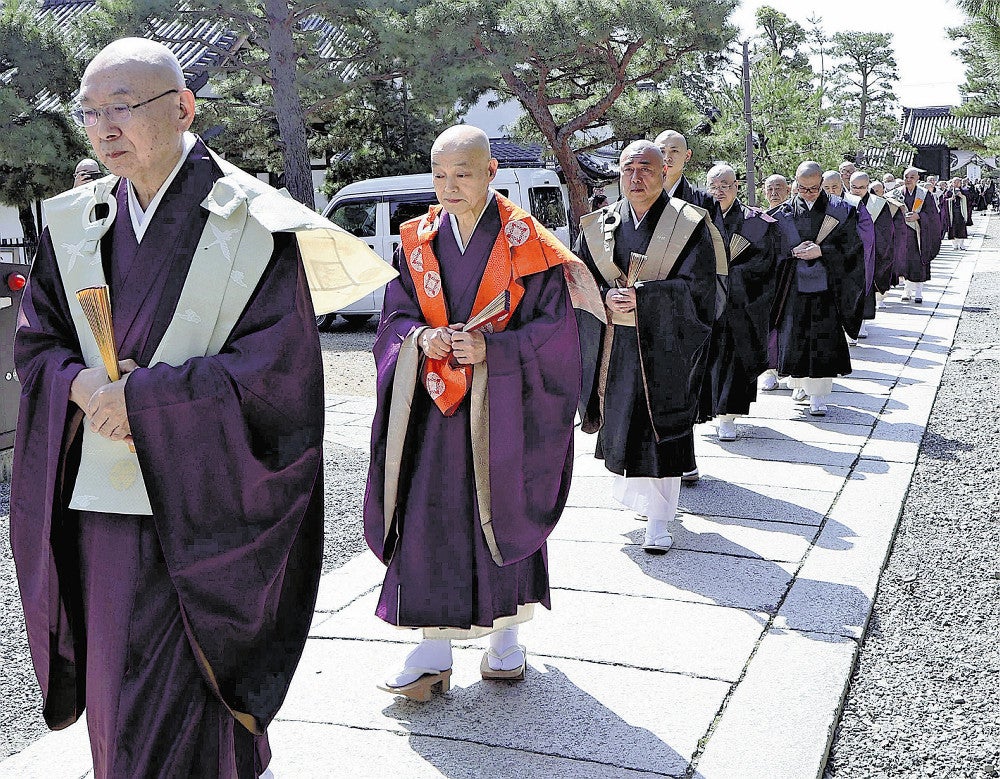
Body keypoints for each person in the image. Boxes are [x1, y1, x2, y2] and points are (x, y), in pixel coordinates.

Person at [10, 38, 386, 777]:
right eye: (90, 112)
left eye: (123, 107)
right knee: (117, 690)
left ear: (183, 108)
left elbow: (279, 375)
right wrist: (83, 389)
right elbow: (38, 342)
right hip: (102, 510)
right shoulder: (76, 221)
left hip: (207, 510)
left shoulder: (253, 223)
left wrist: (146, 401)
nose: (104, 128)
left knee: (189, 695)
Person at [363, 125, 603, 701]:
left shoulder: (529, 243)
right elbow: (394, 318)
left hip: (505, 411)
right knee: (426, 518)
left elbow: (555, 334)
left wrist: (494, 350)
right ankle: (432, 650)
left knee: (503, 511)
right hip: (432, 412)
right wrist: (421, 338)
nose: (448, 186)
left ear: (491, 172)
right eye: (439, 175)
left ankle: (505, 641)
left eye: (462, 174)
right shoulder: (416, 241)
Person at [575, 140, 716, 553]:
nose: (636, 178)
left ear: (664, 172)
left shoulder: (688, 223)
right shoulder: (600, 224)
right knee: (625, 423)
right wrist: (605, 296)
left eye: (647, 169)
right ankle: (643, 502)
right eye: (628, 169)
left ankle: (659, 520)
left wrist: (647, 298)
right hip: (616, 345)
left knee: (660, 428)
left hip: (665, 344)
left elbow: (702, 288)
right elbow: (580, 279)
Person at [653, 128, 727, 483]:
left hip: (686, 301)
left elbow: (715, 256)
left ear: (688, 157)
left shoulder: (701, 202)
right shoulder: (640, 194)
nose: (667, 156)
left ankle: (684, 457)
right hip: (644, 302)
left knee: (683, 382)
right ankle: (651, 465)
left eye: (674, 150)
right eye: (662, 149)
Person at [771, 161, 866, 416]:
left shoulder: (841, 210)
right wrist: (792, 252)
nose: (808, 194)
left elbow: (852, 248)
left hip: (826, 286)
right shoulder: (783, 214)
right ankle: (800, 384)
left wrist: (822, 251)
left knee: (822, 339)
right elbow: (772, 250)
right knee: (795, 337)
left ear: (822, 182)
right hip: (793, 285)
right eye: (803, 189)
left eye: (813, 189)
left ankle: (819, 396)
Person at [704, 163, 779, 441]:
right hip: (705, 303)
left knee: (734, 361)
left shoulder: (754, 222)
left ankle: (727, 417)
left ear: (736, 186)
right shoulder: (698, 218)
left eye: (725, 185)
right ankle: (706, 412)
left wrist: (730, 275)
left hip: (740, 304)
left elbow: (765, 264)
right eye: (714, 186)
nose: (719, 191)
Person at [849, 171, 903, 335]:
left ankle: (861, 325)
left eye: (861, 187)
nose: (857, 191)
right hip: (846, 252)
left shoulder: (878, 204)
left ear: (868, 186)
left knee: (864, 288)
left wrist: (871, 247)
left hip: (868, 253)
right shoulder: (843, 201)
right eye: (853, 187)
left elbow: (885, 231)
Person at [893, 167, 941, 304]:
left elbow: (932, 214)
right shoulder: (896, 194)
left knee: (919, 263)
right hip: (902, 234)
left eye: (912, 177)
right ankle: (907, 290)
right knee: (904, 263)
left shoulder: (924, 194)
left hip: (919, 234)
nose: (908, 180)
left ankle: (919, 292)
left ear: (918, 178)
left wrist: (919, 216)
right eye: (906, 177)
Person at [942, 176, 971, 250]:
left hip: (961, 212)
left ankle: (961, 244)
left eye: (958, 182)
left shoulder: (964, 191)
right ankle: (954, 244)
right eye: (955, 182)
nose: (957, 183)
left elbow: (969, 200)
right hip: (952, 213)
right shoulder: (948, 192)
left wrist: (962, 197)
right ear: (952, 183)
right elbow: (944, 200)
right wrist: (950, 199)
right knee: (953, 228)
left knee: (961, 228)